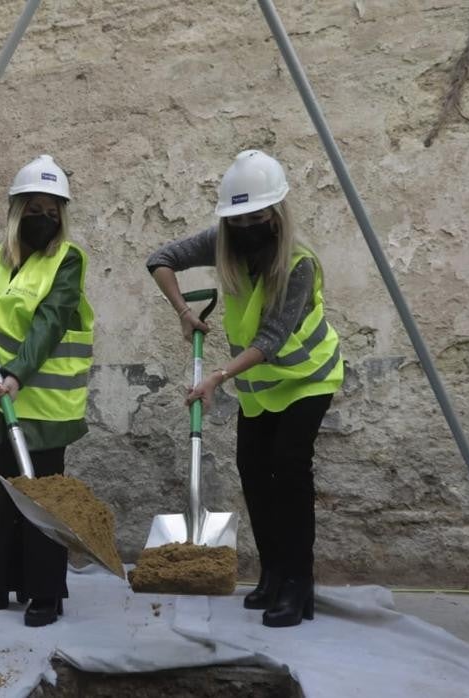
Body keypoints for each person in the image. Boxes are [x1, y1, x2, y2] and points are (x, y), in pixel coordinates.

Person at [146, 150, 343, 628]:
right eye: (239, 218)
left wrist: (216, 376)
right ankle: (273, 573)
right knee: (253, 470)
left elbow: (272, 339)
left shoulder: (298, 263)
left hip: (308, 378)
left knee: (289, 469)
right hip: (258, 388)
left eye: (257, 216)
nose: (248, 225)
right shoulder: (223, 242)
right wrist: (182, 311)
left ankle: (298, 585)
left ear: (276, 214)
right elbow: (161, 259)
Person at [0, 155, 95, 628]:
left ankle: (45, 591)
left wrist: (19, 373)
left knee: (43, 497)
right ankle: (2, 581)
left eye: (53, 209)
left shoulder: (67, 259)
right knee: (8, 492)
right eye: (35, 208)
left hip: (44, 401)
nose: (45, 217)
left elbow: (51, 322)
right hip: (3, 398)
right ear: (17, 210)